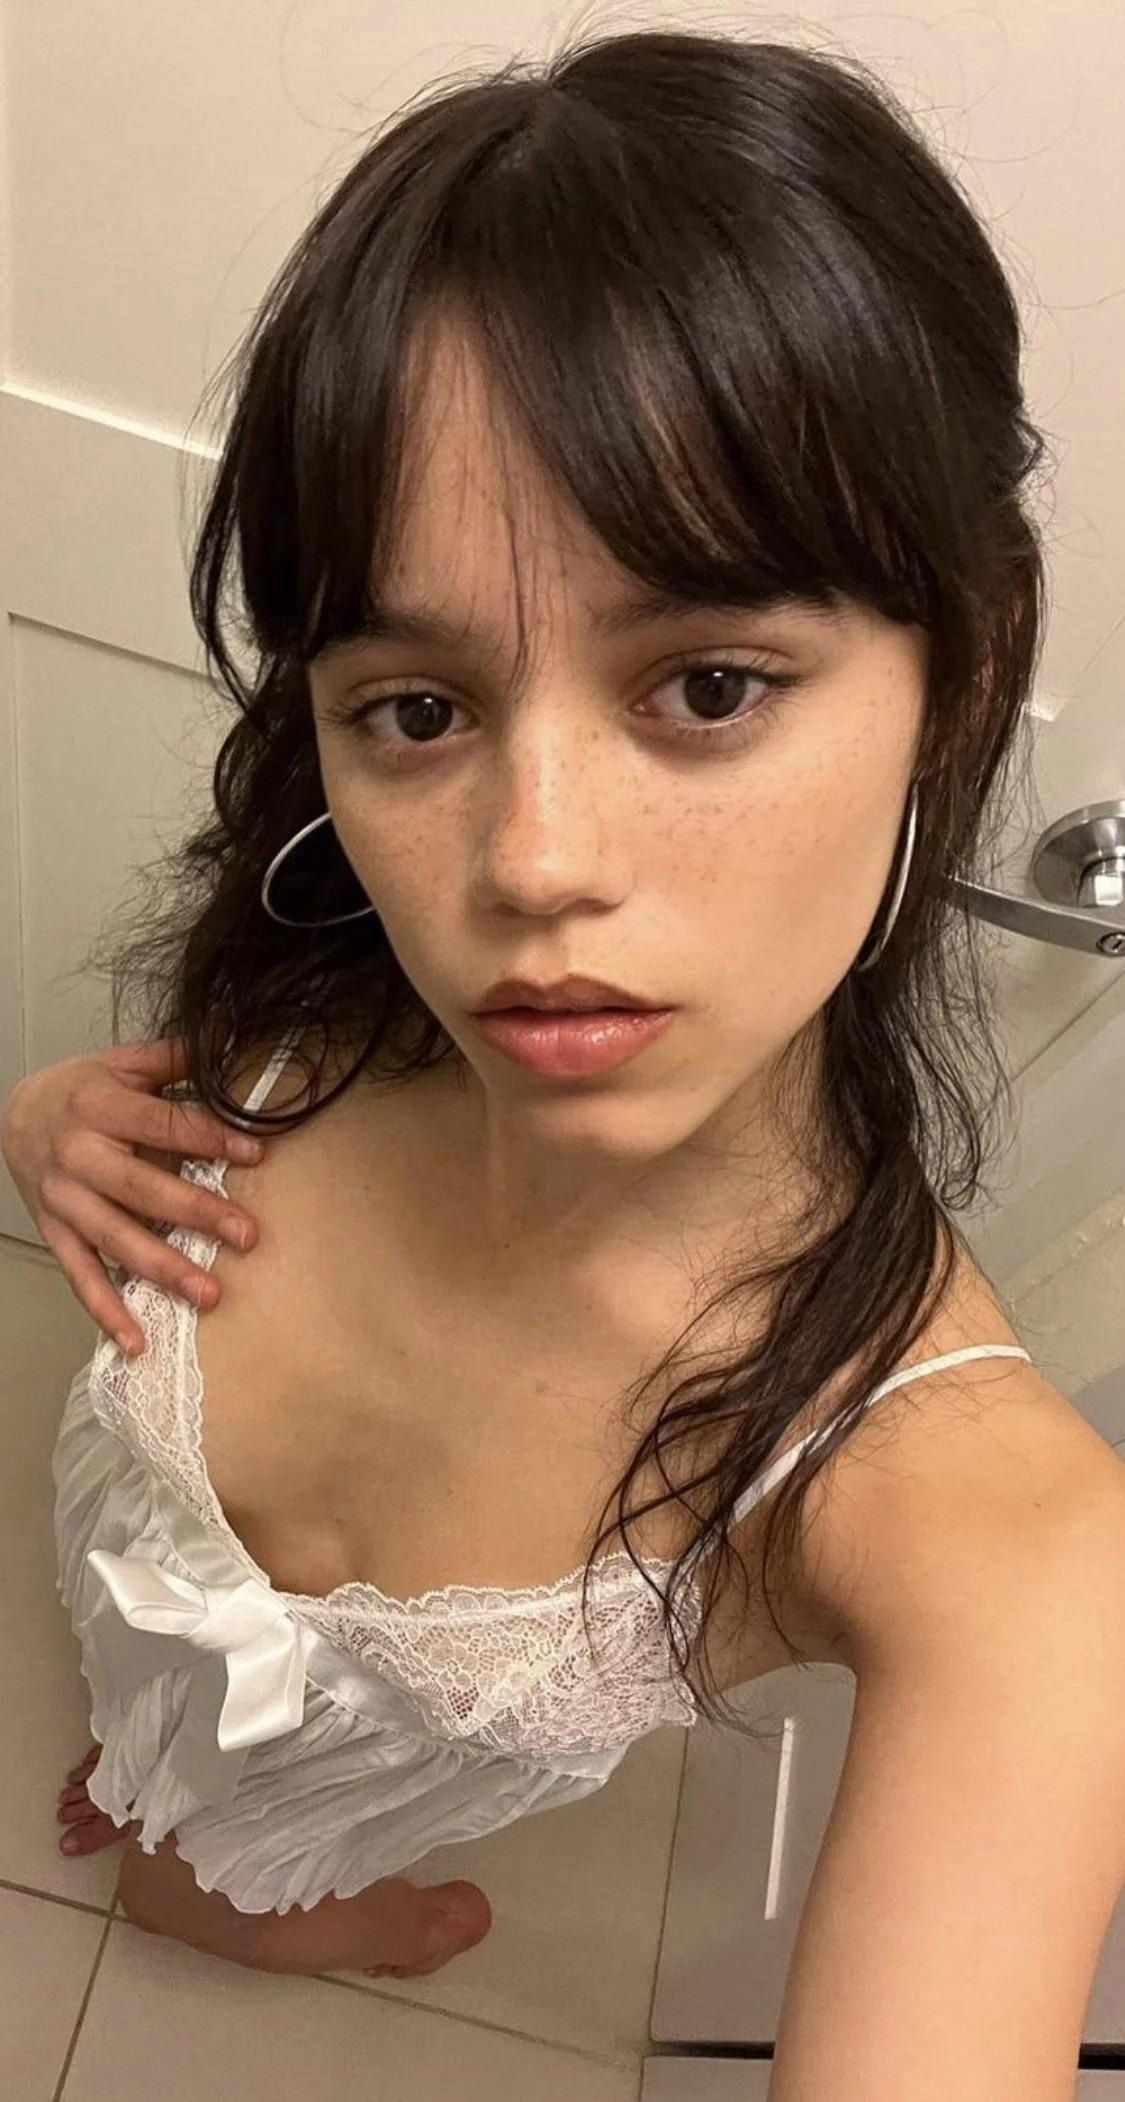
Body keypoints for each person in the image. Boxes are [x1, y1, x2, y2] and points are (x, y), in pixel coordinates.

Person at [5, 25, 1125, 2088]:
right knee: (158, 1775)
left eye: (704, 684)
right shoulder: (321, 997)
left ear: (956, 678)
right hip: (162, 1670)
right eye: (417, 709)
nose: (528, 864)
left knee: (244, 1868)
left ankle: (270, 1888)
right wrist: (44, 1123)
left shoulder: (974, 1524)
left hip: (343, 1824)